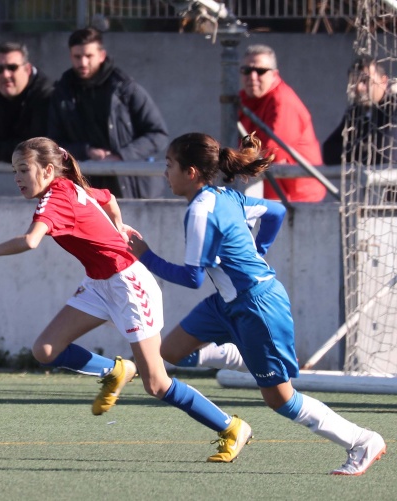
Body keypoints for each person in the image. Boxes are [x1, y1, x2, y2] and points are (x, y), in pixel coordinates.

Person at [0, 136, 254, 463]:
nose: (17, 178)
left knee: (156, 383)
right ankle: (115, 371)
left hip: (128, 285)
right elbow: (109, 198)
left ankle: (231, 426)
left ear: (48, 170)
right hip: (99, 284)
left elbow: (31, 241)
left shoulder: (56, 198)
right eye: (14, 171)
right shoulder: (68, 186)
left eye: (24, 170)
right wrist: (117, 227)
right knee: (45, 350)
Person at [128, 132, 386, 475]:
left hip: (258, 307)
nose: (165, 173)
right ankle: (242, 353)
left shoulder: (202, 212)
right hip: (227, 303)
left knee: (281, 400)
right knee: (170, 351)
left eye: (169, 165)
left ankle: (362, 440)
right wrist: (259, 249)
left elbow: (193, 278)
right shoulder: (225, 196)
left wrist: (145, 256)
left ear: (190, 173)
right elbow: (275, 212)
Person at [48, 27, 169, 199]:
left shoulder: (125, 88)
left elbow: (158, 134)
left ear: (101, 55)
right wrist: (87, 151)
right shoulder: (62, 93)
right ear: (70, 57)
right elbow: (54, 143)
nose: (82, 63)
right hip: (86, 188)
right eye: (77, 56)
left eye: (88, 56)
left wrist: (120, 156)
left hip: (132, 187)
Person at [238, 44, 326, 202]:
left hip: (296, 197)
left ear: (274, 74)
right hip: (268, 190)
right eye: (247, 71)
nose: (252, 77)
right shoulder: (244, 100)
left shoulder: (282, 101)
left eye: (260, 71)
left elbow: (272, 151)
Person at [0, 42, 54, 163]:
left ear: (28, 69)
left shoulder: (46, 95)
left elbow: (35, 151)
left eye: (12, 68)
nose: (5, 74)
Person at [323, 54, 397, 167]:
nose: (358, 87)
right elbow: (329, 151)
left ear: (383, 81)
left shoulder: (393, 107)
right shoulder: (356, 113)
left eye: (364, 81)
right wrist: (362, 148)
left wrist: (355, 147)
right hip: (366, 183)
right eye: (354, 82)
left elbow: (385, 153)